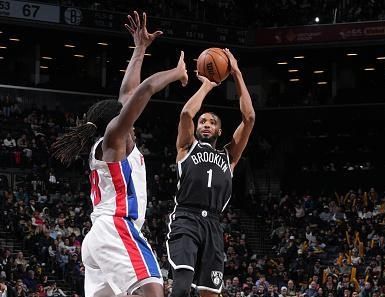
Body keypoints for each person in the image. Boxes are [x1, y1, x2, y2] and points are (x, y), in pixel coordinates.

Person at [51, 11, 188, 297]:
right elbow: (145, 90)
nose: (131, 121)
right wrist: (177, 73)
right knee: (153, 290)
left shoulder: (112, 144)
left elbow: (127, 93)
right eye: (125, 118)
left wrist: (139, 49)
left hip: (98, 237)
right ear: (114, 123)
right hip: (116, 227)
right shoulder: (114, 140)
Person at [167, 48, 255, 297]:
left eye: (212, 122)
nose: (206, 124)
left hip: (214, 224)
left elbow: (249, 118)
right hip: (186, 218)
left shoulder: (229, 156)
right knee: (181, 288)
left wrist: (236, 72)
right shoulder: (186, 147)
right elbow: (186, 113)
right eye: (203, 121)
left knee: (209, 294)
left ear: (219, 131)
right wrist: (207, 86)